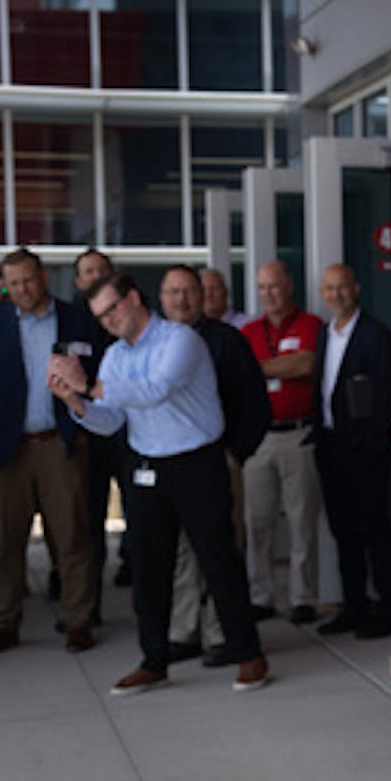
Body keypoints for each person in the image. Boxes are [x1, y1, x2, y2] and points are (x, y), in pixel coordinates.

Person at [48, 272, 267, 695]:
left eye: (112, 308)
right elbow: (111, 419)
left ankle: (248, 654)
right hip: (148, 464)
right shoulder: (114, 356)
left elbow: (156, 389)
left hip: (197, 462)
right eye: (100, 315)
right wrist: (75, 401)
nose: (107, 320)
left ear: (133, 299)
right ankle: (154, 661)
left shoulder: (180, 340)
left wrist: (88, 385)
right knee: (150, 569)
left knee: (218, 559)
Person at [0, 248, 100, 655]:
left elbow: (98, 374)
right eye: (14, 283)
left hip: (60, 444)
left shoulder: (77, 319)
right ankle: (4, 622)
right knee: (6, 542)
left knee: (72, 536)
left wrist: (84, 426)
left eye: (28, 279)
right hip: (8, 450)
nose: (22, 289)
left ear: (43, 276)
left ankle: (78, 619)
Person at [157, 265, 269, 666]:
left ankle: (223, 634)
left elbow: (256, 404)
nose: (182, 300)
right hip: (170, 464)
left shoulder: (227, 341)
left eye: (190, 292)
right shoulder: (155, 342)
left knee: (223, 549)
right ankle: (183, 632)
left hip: (219, 461)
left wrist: (235, 454)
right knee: (183, 551)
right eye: (174, 293)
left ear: (203, 297)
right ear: (162, 297)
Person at [312, 264, 391, 638]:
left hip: (365, 450)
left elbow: (383, 397)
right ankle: (354, 606)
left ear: (356, 288)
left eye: (342, 287)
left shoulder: (375, 334)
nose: (336, 295)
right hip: (331, 446)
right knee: (343, 532)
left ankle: (388, 608)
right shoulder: (323, 334)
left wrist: (373, 445)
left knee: (374, 531)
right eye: (330, 289)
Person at [240, 261, 324, 624]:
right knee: (256, 522)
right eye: (262, 288)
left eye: (274, 286)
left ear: (289, 286)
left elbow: (305, 364)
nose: (268, 294)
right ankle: (261, 596)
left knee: (301, 520)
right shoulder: (248, 331)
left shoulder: (310, 325)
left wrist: (259, 366)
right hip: (259, 439)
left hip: (298, 435)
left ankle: (302, 597)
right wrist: (280, 364)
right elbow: (243, 374)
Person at [73, 247, 130, 606]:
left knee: (138, 511)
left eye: (101, 270)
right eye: (88, 272)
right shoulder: (71, 321)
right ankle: (88, 603)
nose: (95, 276)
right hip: (88, 433)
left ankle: (135, 570)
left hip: (129, 431)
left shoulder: (129, 320)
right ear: (79, 282)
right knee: (88, 517)